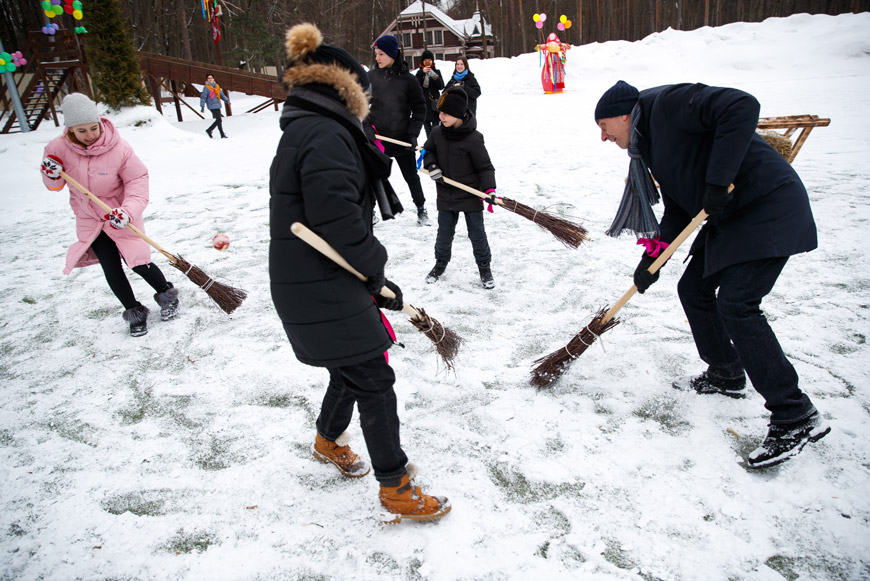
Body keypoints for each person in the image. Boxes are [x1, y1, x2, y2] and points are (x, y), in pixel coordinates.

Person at [594, 80, 830, 469]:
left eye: (604, 126)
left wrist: (717, 181)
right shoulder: (648, 144)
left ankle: (795, 414)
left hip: (767, 206)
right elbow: (677, 209)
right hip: (731, 219)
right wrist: (654, 257)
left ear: (623, 115)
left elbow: (741, 105)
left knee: (737, 303)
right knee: (693, 289)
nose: (603, 137)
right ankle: (725, 372)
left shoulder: (667, 105)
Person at [269, 23, 450, 522]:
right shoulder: (326, 135)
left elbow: (333, 224)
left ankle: (328, 441)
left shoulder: (309, 128)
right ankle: (395, 486)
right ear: (349, 93)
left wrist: (367, 275)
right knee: (374, 379)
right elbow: (342, 227)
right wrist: (375, 272)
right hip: (321, 279)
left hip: (313, 277)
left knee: (349, 366)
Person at [40, 93, 179, 337]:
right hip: (89, 218)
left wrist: (127, 211)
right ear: (70, 129)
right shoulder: (56, 148)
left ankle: (167, 295)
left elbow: (137, 180)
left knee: (139, 262)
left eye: (93, 128)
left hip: (120, 212)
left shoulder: (119, 147)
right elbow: (53, 185)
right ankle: (133, 311)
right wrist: (51, 174)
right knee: (111, 268)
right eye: (81, 131)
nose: (90, 135)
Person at [422, 87, 496, 289]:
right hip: (446, 192)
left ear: (459, 114)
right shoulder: (437, 133)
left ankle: (484, 267)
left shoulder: (474, 138)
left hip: (471, 194)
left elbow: (485, 167)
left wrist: (489, 190)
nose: (441, 116)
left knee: (477, 234)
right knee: (444, 233)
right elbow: (427, 151)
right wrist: (433, 166)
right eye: (440, 112)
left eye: (446, 113)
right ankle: (440, 263)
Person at [367, 34, 431, 226]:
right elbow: (359, 106)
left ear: (393, 54)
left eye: (381, 54)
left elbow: (420, 108)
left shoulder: (408, 80)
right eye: (376, 54)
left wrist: (412, 133)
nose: (377, 58)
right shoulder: (370, 78)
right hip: (377, 138)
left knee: (411, 176)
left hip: (402, 138)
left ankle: (421, 208)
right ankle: (369, 211)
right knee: (373, 176)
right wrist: (366, 126)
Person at [415, 50, 444, 138]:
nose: (427, 62)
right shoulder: (419, 73)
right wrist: (422, 73)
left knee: (435, 128)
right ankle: (430, 147)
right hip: (424, 105)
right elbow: (416, 86)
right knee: (427, 130)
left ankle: (435, 145)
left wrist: (433, 75)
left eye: (429, 60)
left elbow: (441, 86)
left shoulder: (437, 72)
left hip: (435, 104)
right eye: (425, 60)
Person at [200, 73, 231, 139]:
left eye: (211, 78)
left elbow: (221, 95)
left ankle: (210, 130)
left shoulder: (217, 86)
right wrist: (202, 106)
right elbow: (203, 97)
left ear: (213, 79)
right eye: (209, 78)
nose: (210, 79)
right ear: (207, 80)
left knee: (219, 120)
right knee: (219, 119)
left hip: (218, 104)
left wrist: (227, 100)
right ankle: (220, 134)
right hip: (211, 105)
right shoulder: (206, 88)